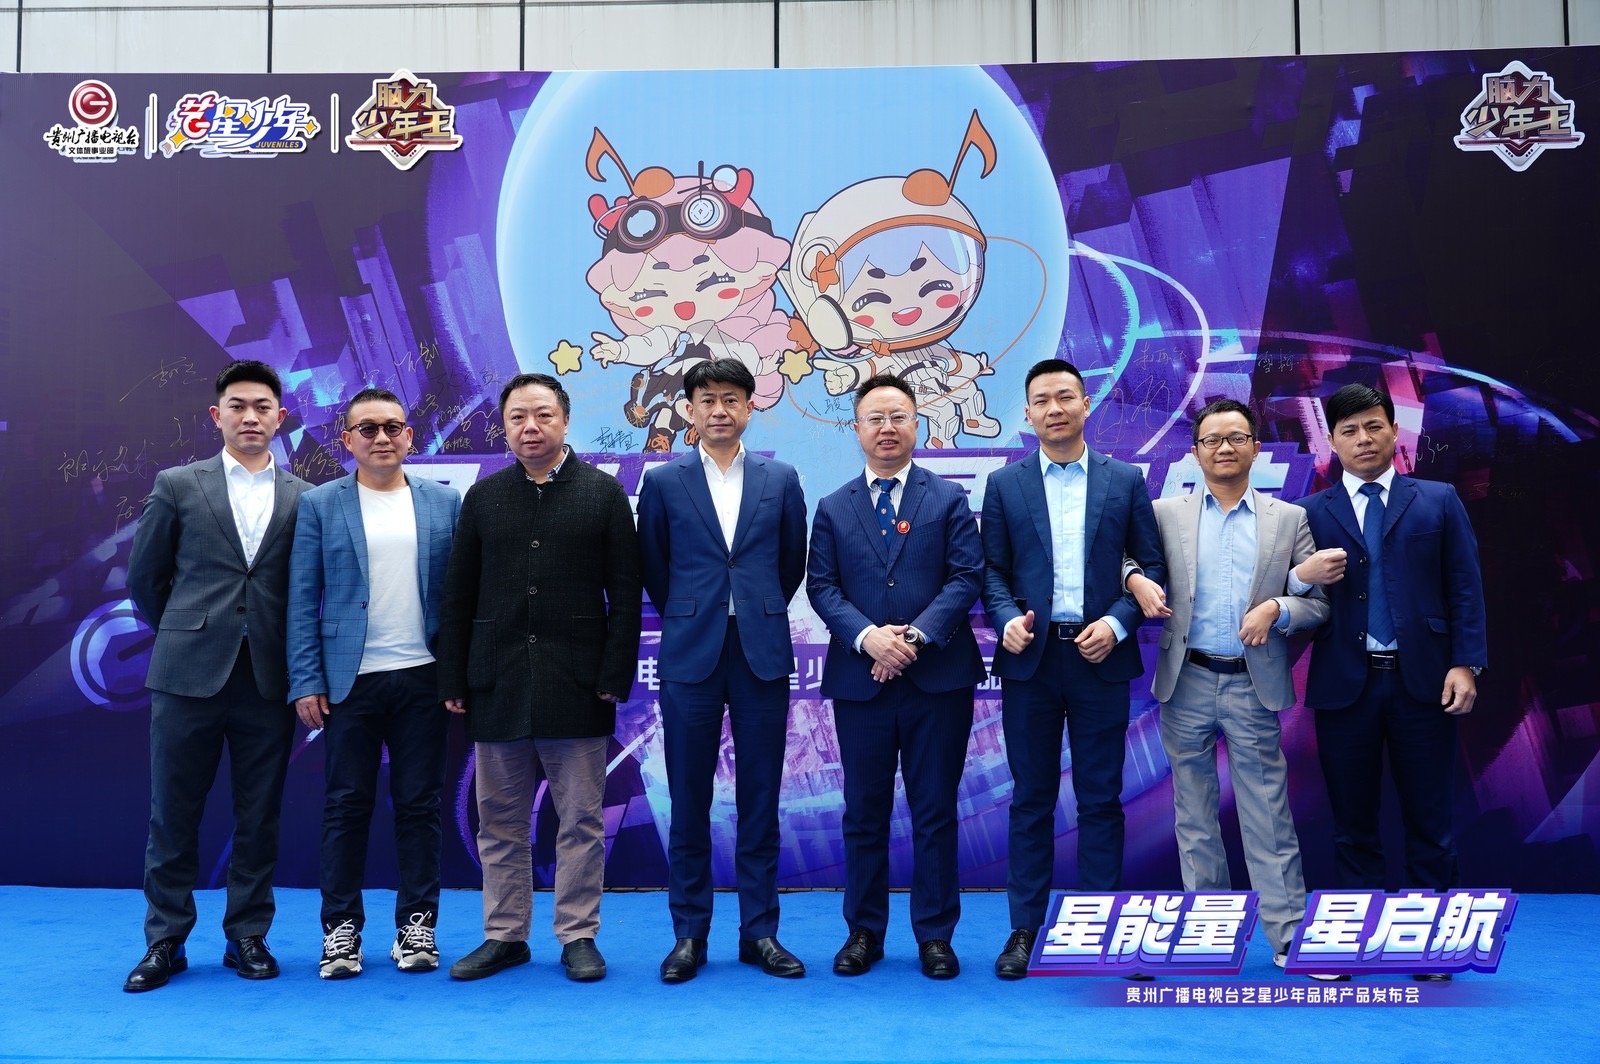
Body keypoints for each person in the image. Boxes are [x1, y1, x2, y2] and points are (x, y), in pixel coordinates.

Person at [435, 373, 642, 983]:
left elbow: (625, 594)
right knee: (499, 821)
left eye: (543, 415)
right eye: (517, 417)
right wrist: (454, 676)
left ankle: (578, 935)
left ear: (565, 421)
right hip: (496, 681)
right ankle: (505, 935)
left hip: (578, 682)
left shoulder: (603, 493)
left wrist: (614, 673)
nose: (530, 427)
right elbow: (458, 593)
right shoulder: (485, 497)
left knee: (580, 820)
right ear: (503, 426)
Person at [1123, 398, 1334, 976]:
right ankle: (1208, 936)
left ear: (1256, 448)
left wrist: (1277, 609)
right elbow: (1120, 558)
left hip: (1252, 682)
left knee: (1268, 814)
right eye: (1212, 439)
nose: (1224, 448)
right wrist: (1135, 578)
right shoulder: (1164, 513)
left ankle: (1290, 939)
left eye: (1236, 437)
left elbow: (1318, 604)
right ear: (1194, 452)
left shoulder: (1288, 519)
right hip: (1185, 679)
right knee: (1193, 817)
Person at [123, 359, 311, 992]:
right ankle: (165, 940)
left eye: (262, 407)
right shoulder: (178, 484)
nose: (250, 416)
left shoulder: (305, 495)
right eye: (238, 406)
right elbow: (145, 579)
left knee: (259, 814)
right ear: (217, 415)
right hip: (187, 676)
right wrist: (187, 630)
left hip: (268, 679)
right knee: (172, 813)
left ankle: (247, 935)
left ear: (280, 417)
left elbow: (304, 588)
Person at [1291, 383, 1487, 982]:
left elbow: (1465, 587)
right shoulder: (1311, 511)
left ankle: (1430, 947)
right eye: (1349, 431)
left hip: (1423, 681)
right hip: (1345, 685)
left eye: (1373, 426)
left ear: (1394, 430)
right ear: (1332, 441)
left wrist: (1467, 663)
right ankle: (1349, 943)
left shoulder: (1438, 500)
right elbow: (1282, 592)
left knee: (1430, 819)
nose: (1363, 439)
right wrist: (1300, 576)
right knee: (1352, 822)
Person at [979, 357, 1163, 980]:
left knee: (1100, 798)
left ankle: (1100, 929)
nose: (1054, 409)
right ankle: (1024, 930)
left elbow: (1150, 566)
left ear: (1086, 403)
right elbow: (992, 571)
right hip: (1031, 661)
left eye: (1065, 397)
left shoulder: (1125, 480)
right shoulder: (1005, 485)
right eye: (1042, 400)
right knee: (1031, 799)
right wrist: (1006, 618)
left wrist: (1116, 624)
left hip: (1099, 658)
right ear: (1028, 414)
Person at [806, 375, 985, 979]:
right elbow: (822, 586)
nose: (887, 428)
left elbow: (966, 577)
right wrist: (869, 638)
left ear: (917, 424)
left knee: (935, 810)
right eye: (875, 418)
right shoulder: (833, 506)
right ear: (857, 429)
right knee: (864, 811)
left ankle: (935, 935)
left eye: (898, 417)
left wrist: (910, 639)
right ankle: (864, 932)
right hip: (861, 683)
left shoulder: (948, 498)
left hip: (938, 680)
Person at [636, 359, 809, 982]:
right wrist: (693, 612)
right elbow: (654, 566)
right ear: (689, 409)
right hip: (691, 651)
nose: (719, 410)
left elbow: (791, 563)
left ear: (749, 407)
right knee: (689, 797)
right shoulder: (663, 480)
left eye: (731, 399)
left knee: (761, 796)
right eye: (706, 399)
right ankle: (689, 934)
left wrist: (755, 608)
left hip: (760, 649)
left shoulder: (780, 477)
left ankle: (760, 932)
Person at [286, 388, 462, 979]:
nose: (381, 437)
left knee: (420, 806)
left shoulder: (444, 502)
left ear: (410, 436)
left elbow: (461, 598)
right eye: (368, 428)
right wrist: (306, 679)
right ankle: (341, 932)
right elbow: (301, 599)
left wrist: (457, 673)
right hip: (348, 684)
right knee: (346, 806)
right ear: (347, 440)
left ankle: (418, 926)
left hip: (423, 678)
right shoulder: (319, 505)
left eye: (392, 427)